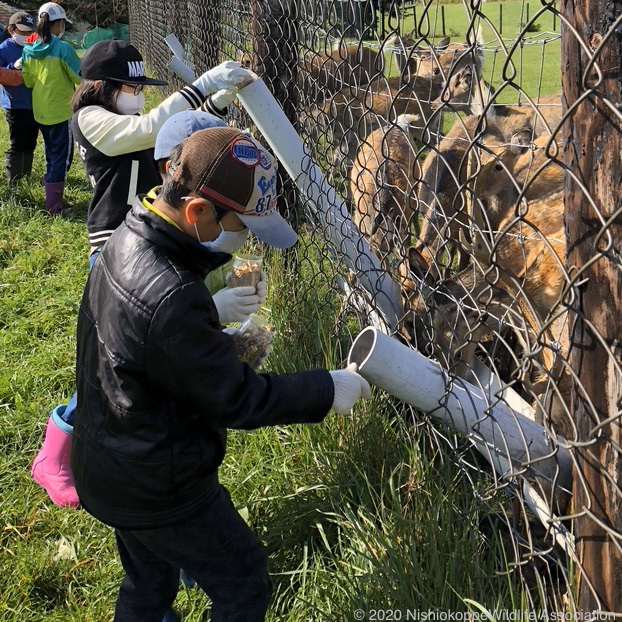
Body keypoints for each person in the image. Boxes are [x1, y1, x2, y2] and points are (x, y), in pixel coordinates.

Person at [71, 126, 371, 621]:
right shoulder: (171, 294)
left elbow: (146, 353)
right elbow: (237, 400)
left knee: (148, 578)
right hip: (162, 488)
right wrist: (325, 389)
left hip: (110, 463)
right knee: (244, 581)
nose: (246, 239)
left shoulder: (128, 236)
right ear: (197, 212)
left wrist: (211, 340)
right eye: (243, 226)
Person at [31, 47, 256, 509]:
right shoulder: (90, 120)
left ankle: (135, 446)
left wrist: (215, 105)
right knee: (111, 363)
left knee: (134, 363)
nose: (136, 97)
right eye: (131, 89)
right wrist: (202, 86)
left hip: (151, 240)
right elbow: (146, 131)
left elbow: (176, 143)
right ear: (102, 88)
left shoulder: (121, 119)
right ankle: (53, 457)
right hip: (115, 248)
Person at [21, 2, 80, 214]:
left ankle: (55, 199)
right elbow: (79, 76)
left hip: (41, 111)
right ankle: (54, 206)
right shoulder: (63, 48)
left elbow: (27, 81)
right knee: (61, 158)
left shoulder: (28, 49)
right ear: (58, 24)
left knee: (50, 154)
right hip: (61, 112)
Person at [0, 11, 39, 184]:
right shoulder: (4, 49)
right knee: (17, 142)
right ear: (11, 30)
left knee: (31, 141)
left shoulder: (36, 46)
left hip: (35, 103)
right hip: (15, 104)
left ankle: (26, 176)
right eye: (22, 32)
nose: (27, 36)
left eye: (30, 32)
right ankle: (14, 181)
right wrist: (13, 67)